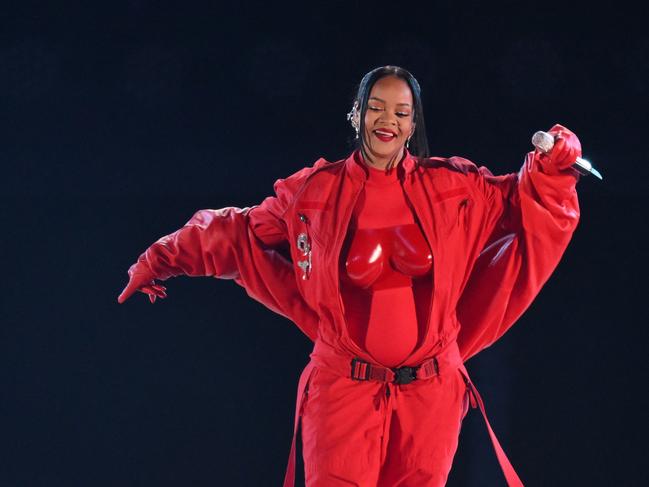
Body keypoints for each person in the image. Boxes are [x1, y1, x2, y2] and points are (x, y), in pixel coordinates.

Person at [117, 65, 582, 487]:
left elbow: (525, 201)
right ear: (356, 114)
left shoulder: (454, 186)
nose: (388, 120)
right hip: (342, 390)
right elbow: (237, 229)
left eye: (401, 111)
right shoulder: (313, 192)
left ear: (413, 125)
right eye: (377, 107)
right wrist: (158, 259)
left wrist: (555, 164)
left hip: (430, 393)